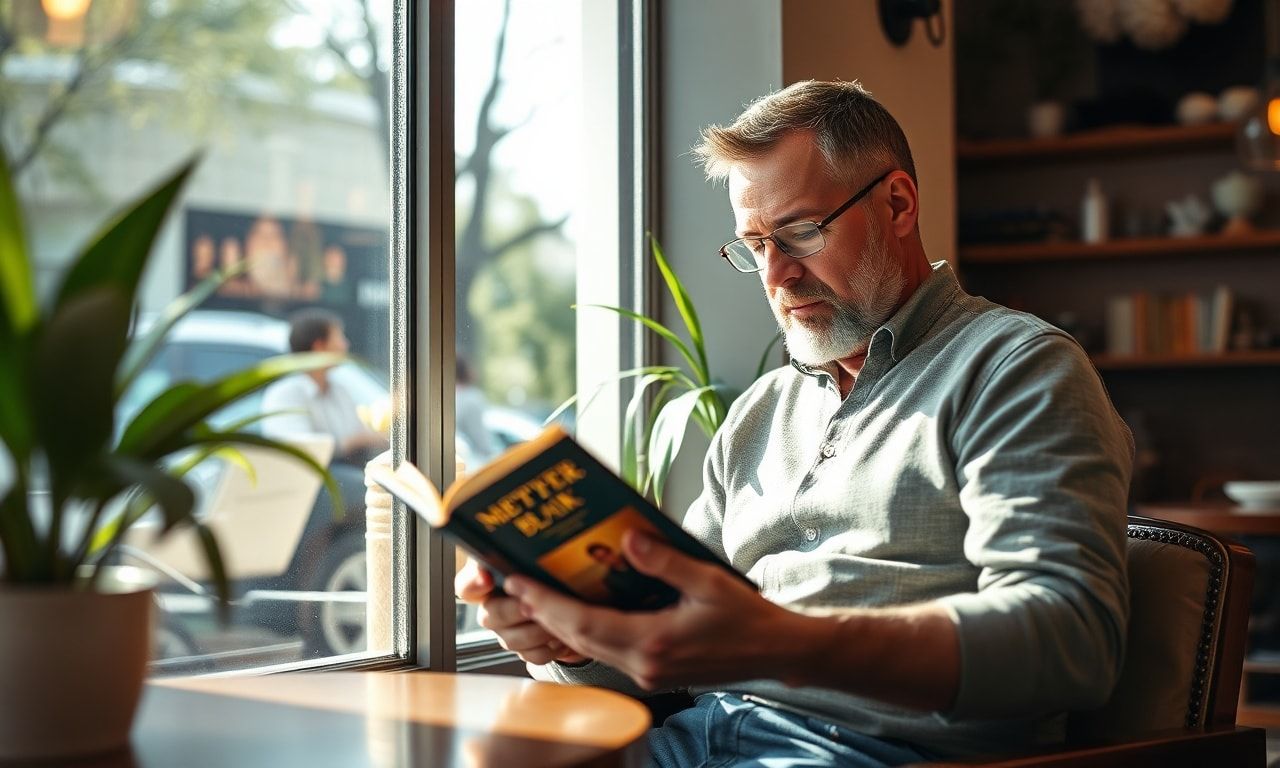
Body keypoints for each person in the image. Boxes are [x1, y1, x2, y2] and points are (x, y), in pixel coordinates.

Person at [442, 80, 1135, 766]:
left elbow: (1070, 641)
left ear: (897, 204)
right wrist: (570, 648)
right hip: (694, 742)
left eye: (800, 232)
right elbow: (668, 652)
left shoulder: (1014, 368)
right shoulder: (760, 413)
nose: (775, 275)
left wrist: (783, 641)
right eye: (753, 244)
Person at [262, 308, 388, 465]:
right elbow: (300, 450)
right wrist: (356, 441)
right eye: (339, 338)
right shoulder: (284, 394)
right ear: (319, 346)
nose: (345, 345)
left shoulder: (339, 390)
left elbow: (361, 432)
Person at [585, 541, 678, 609]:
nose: (608, 559)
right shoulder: (610, 580)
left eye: (607, 554)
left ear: (611, 551)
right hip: (652, 605)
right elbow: (627, 601)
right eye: (602, 558)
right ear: (600, 562)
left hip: (668, 590)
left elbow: (658, 572)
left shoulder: (634, 557)